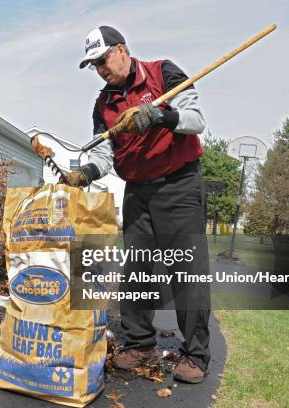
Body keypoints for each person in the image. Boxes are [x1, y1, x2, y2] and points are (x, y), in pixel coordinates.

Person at [63, 26, 211, 384]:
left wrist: (159, 115)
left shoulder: (163, 73)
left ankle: (196, 355)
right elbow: (104, 154)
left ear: (122, 50)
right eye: (93, 65)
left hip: (178, 183)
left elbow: (196, 120)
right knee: (137, 269)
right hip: (138, 190)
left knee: (185, 273)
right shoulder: (104, 104)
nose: (100, 68)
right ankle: (140, 342)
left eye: (103, 60)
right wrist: (85, 173)